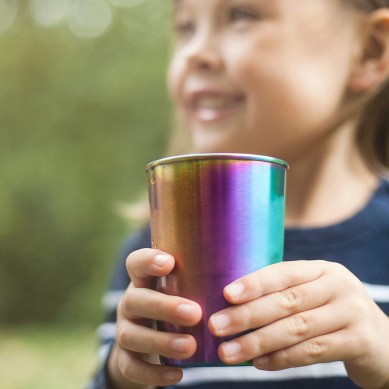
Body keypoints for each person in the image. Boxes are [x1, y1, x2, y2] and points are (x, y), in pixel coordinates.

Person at [90, 0, 389, 388]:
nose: (195, 52)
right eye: (185, 27)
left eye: (241, 15)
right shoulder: (155, 258)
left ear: (370, 51)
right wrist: (123, 374)